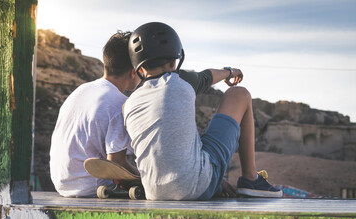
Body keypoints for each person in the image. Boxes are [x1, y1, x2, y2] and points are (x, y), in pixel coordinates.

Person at [123, 22, 283, 200]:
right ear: (174, 60)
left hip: (153, 193)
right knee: (239, 94)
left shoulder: (128, 104)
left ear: (140, 68)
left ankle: (212, 178)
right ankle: (251, 179)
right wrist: (231, 71)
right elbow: (208, 76)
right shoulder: (180, 79)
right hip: (197, 187)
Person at [50, 31, 141, 197]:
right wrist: (141, 178)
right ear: (134, 71)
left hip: (61, 184)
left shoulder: (80, 90)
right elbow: (116, 162)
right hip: (91, 188)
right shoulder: (120, 103)